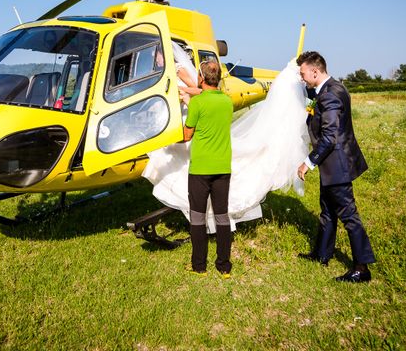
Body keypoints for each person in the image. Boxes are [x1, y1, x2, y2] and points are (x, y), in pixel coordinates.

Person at [143, 58, 309, 232]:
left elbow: (196, 102)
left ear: (202, 77)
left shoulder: (181, 74)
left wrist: (183, 96)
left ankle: (199, 230)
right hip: (212, 147)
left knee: (188, 161)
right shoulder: (225, 101)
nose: (155, 58)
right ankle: (222, 249)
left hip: (196, 133)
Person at [296, 51, 375, 283]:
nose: (301, 78)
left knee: (349, 217)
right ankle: (322, 254)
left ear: (315, 71)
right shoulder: (332, 87)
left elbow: (329, 137)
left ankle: (362, 268)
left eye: (303, 73)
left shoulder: (330, 95)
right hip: (333, 165)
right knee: (327, 211)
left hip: (336, 164)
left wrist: (308, 162)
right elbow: (312, 103)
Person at [183, 61, 233, 276]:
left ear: (201, 78)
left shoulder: (197, 103)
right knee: (222, 217)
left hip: (200, 169)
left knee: (197, 217)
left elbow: (187, 135)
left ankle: (199, 266)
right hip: (223, 167)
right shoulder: (227, 101)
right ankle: (224, 266)